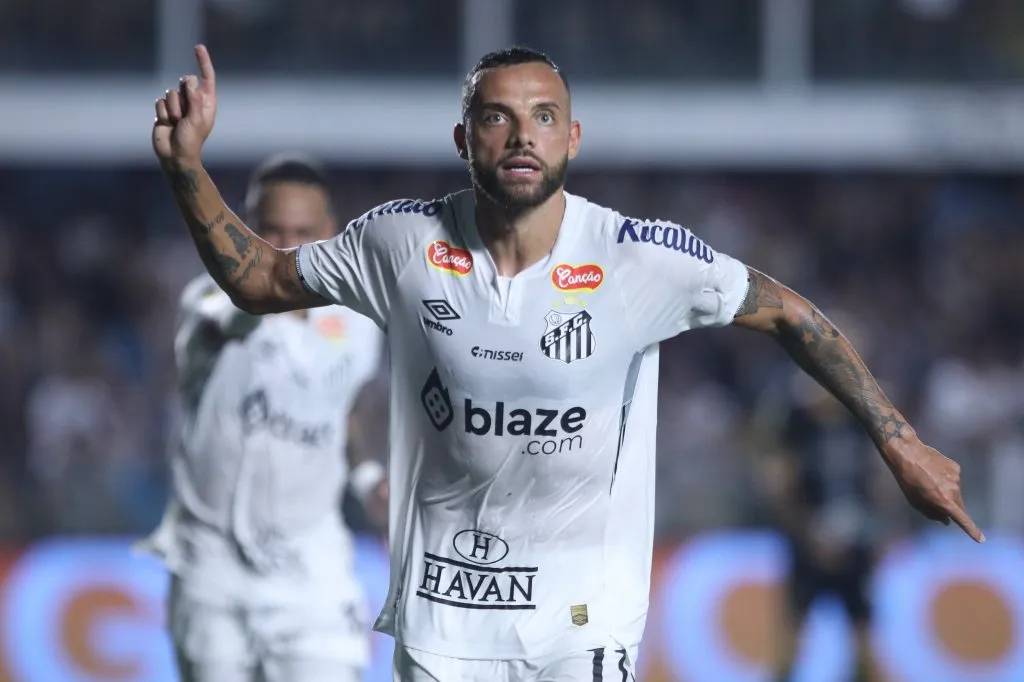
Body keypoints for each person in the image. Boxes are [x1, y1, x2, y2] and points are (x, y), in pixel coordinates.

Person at [151, 44, 983, 682]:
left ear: (573, 138)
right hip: (444, 627)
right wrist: (188, 167)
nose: (522, 136)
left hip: (581, 627)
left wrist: (897, 439)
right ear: (463, 136)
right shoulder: (398, 241)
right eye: (498, 117)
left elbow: (791, 314)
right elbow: (259, 279)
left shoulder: (635, 258)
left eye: (545, 116)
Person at [136, 153, 387, 682]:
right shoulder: (209, 306)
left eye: (303, 231)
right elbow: (239, 306)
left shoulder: (357, 324)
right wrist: (186, 168)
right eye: (271, 231)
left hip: (311, 569)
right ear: (247, 231)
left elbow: (341, 405)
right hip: (212, 569)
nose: (287, 247)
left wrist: (367, 477)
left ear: (330, 233)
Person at [758, 371, 903, 682]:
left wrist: (879, 532)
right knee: (790, 640)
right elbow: (781, 486)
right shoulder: (797, 426)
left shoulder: (861, 425)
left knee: (864, 640)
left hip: (856, 543)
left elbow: (880, 484)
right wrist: (807, 535)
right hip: (809, 545)